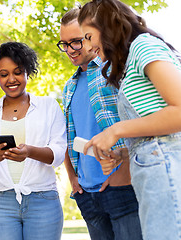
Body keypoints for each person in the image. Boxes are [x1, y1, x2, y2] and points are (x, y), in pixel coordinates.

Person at [78, 0, 181, 239]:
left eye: (87, 36)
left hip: (167, 166)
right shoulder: (127, 65)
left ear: (106, 26)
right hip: (152, 167)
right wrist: (123, 155)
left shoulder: (143, 46)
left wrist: (116, 130)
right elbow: (156, 128)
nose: (86, 46)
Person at [59, 8, 142, 240]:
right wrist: (73, 180)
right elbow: (68, 135)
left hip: (123, 186)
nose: (69, 50)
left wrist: (121, 173)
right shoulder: (69, 87)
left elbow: (140, 121)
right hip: (87, 194)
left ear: (90, 36)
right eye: (64, 44)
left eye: (76, 41)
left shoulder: (115, 70)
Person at [0, 42, 66, 240]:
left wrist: (30, 151)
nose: (11, 79)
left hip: (43, 200)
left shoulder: (49, 106)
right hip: (0, 203)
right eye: (4, 74)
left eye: (18, 72)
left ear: (27, 73)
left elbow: (58, 154)